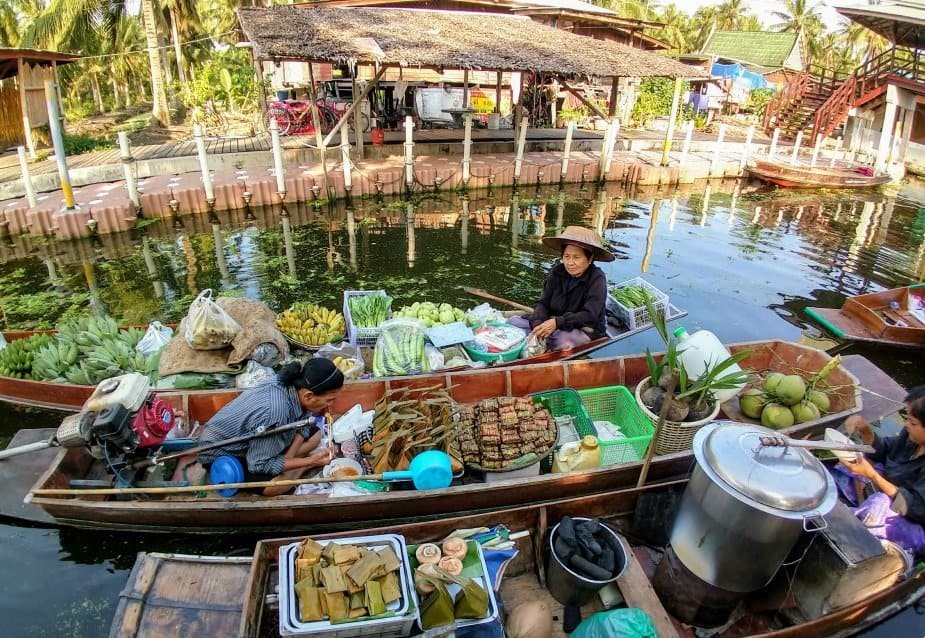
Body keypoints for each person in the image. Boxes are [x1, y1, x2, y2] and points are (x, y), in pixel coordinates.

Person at [198, 357, 345, 496]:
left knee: (316, 435)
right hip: (225, 452)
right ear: (308, 396)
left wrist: (289, 456)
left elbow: (305, 418)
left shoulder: (293, 384)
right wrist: (311, 461)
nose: (330, 405)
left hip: (262, 437)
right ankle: (302, 466)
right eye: (329, 400)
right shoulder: (275, 413)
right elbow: (258, 465)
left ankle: (290, 461)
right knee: (277, 486)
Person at [839, 385, 925, 555]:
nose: (906, 425)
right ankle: (857, 504)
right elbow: (885, 449)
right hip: (890, 490)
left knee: (878, 503)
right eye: (906, 419)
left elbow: (915, 507)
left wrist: (871, 475)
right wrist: (865, 429)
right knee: (855, 459)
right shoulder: (911, 438)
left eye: (912, 422)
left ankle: (853, 526)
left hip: (914, 523)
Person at [508, 226, 614, 351]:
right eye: (566, 256)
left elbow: (589, 315)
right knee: (512, 323)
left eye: (576, 257)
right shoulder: (557, 272)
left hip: (582, 329)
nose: (570, 262)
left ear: (590, 259)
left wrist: (557, 323)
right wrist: (538, 323)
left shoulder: (597, 278)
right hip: (551, 322)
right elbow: (542, 302)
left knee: (561, 342)